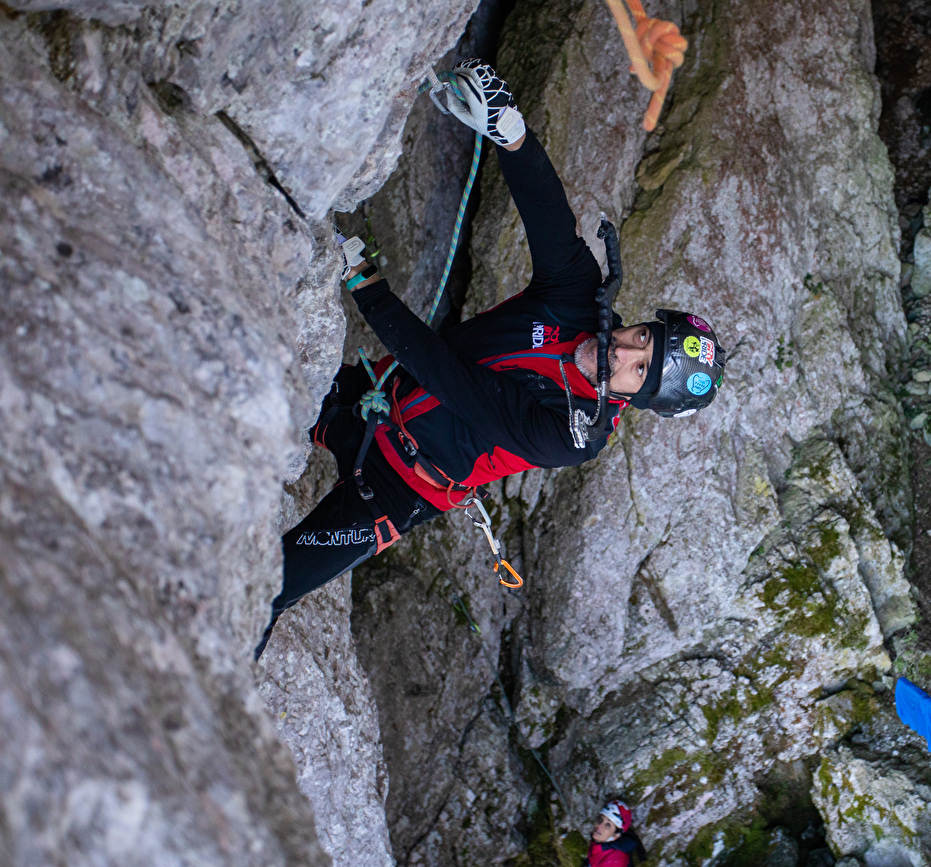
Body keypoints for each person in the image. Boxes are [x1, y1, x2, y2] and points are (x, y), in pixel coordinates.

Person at [254, 59, 727, 659]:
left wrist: (368, 290)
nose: (625, 351)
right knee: (248, 388)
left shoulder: (573, 434)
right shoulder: (577, 298)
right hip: (373, 396)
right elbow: (549, 219)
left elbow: (456, 383)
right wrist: (511, 133)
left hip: (397, 488)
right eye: (642, 339)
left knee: (270, 590)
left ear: (635, 399)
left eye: (639, 370)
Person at [584, 801, 646, 867]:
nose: (599, 826)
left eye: (608, 825)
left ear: (616, 835)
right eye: (600, 819)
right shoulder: (603, 848)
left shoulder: (614, 861)